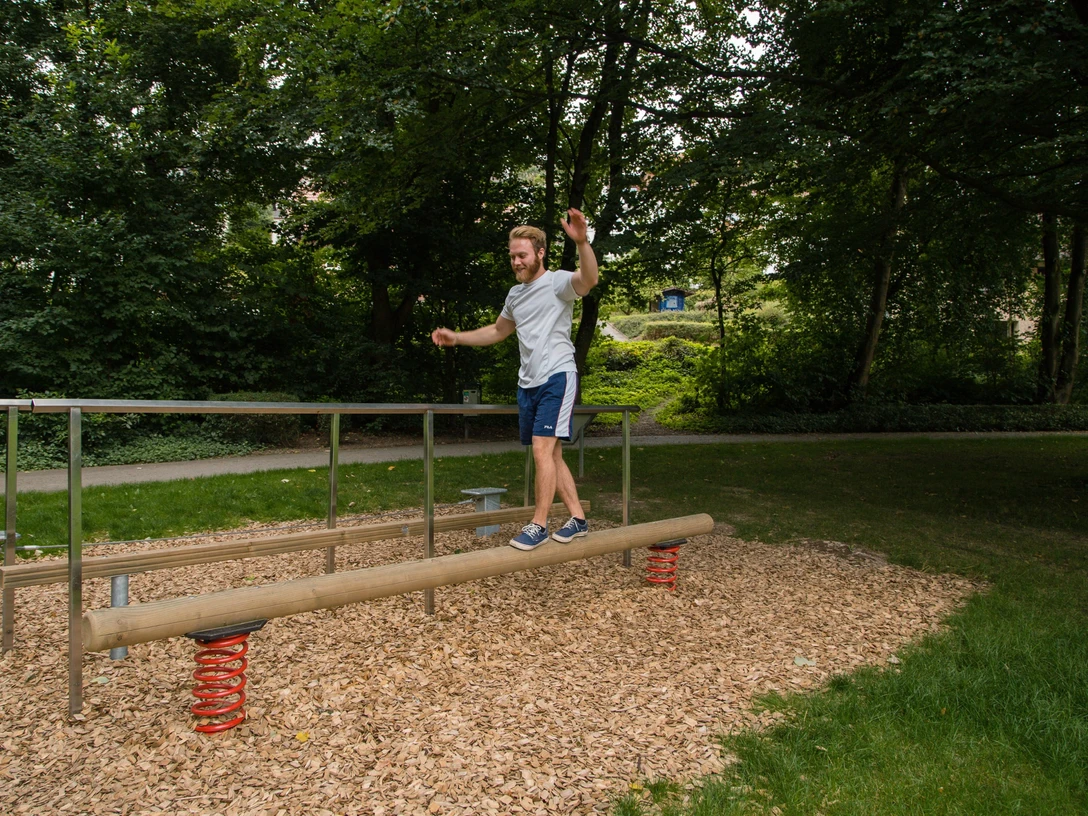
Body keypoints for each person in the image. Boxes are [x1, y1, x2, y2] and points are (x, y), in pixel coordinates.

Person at [431, 208, 599, 550]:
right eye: (512, 256)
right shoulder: (515, 295)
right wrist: (457, 337)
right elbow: (497, 330)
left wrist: (581, 242)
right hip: (528, 383)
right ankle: (578, 519)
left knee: (541, 449)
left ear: (540, 253)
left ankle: (538, 524)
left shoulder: (557, 283)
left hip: (557, 375)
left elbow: (589, 279)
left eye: (522, 255)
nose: (516, 262)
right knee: (550, 454)